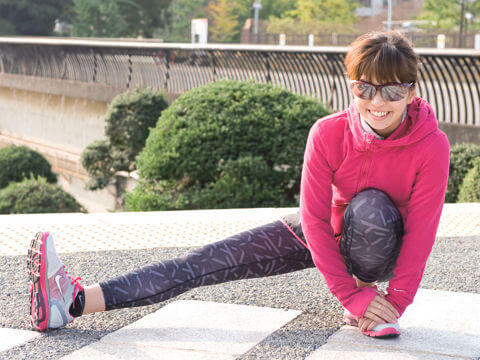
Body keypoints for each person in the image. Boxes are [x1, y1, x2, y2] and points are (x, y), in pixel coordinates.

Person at [27, 31, 449, 339]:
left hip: (382, 243)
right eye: (365, 88)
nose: (378, 102)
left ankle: (366, 285)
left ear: (412, 91)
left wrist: (393, 302)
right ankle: (74, 301)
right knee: (202, 262)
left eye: (393, 90)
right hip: (327, 231)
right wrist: (351, 298)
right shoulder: (328, 132)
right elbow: (314, 219)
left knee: (371, 207)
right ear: (351, 86)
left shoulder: (431, 145)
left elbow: (422, 232)